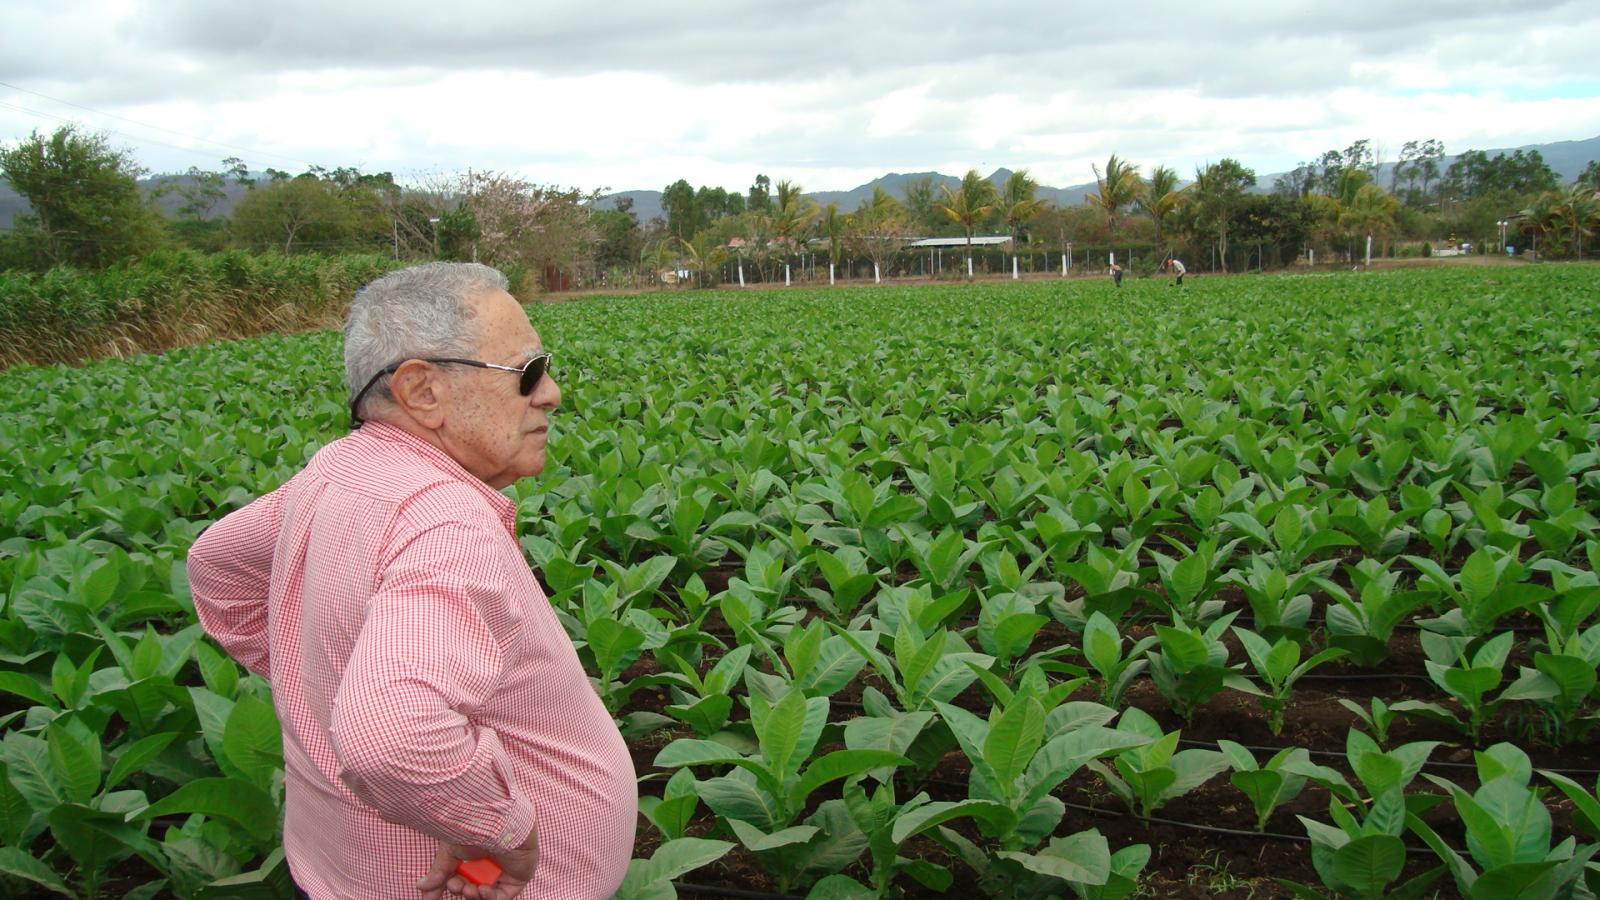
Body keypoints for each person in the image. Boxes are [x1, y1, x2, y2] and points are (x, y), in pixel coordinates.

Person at [187, 262, 636, 900]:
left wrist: (322, 676)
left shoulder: (338, 468)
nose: (551, 392)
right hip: (467, 885)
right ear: (421, 391)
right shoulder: (445, 520)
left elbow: (216, 566)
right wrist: (493, 830)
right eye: (527, 373)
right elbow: (389, 734)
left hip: (347, 867)